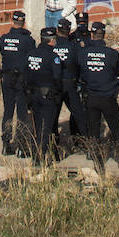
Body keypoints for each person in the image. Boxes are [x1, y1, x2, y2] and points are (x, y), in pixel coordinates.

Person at [79, 22, 119, 177]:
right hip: (107, 98)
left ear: (91, 34)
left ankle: (98, 166)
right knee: (117, 131)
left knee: (94, 133)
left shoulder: (83, 53)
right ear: (104, 35)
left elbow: (80, 73)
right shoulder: (112, 54)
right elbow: (116, 71)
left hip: (91, 97)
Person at [24, 27, 64, 163]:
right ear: (52, 41)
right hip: (48, 96)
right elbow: (57, 77)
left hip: (33, 95)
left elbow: (26, 75)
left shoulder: (30, 54)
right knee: (46, 128)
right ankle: (39, 157)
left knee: (37, 126)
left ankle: (36, 154)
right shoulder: (53, 57)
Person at [0, 10, 34, 155]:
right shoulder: (28, 40)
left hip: (6, 78)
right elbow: (31, 56)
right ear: (23, 23)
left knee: (8, 111)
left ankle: (6, 144)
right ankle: (21, 145)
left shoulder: (3, 38)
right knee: (22, 113)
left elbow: (3, 53)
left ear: (12, 21)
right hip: (21, 79)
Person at [52, 17, 89, 152]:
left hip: (56, 85)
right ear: (69, 32)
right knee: (79, 115)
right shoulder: (74, 47)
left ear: (57, 30)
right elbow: (80, 65)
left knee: (53, 116)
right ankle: (86, 145)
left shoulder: (52, 46)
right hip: (70, 84)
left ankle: (54, 146)